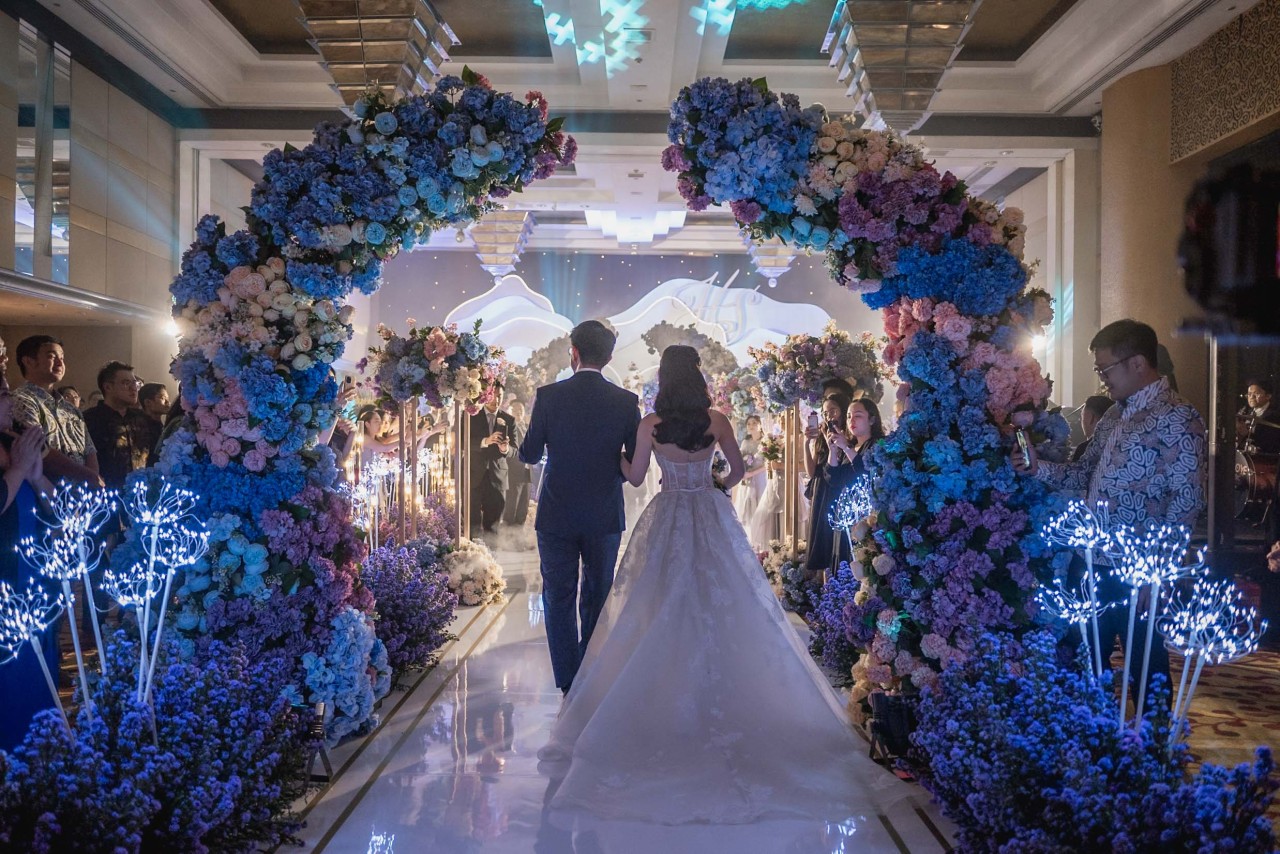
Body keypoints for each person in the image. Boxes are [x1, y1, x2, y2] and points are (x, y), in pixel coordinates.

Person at [537, 344, 914, 824]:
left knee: (656, 603)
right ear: (697, 378)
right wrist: (712, 483)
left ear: (663, 379)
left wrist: (619, 460)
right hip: (709, 512)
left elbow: (634, 478)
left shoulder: (650, 425)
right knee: (724, 601)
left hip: (667, 514)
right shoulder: (716, 421)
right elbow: (736, 472)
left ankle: (666, 691)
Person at [1013, 319, 1206, 702]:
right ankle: (1093, 734)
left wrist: (1158, 573)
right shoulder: (1114, 415)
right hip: (1090, 558)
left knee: (1146, 665)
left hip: (1139, 567)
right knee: (1087, 663)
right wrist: (1038, 468)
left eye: (1105, 369)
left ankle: (1152, 738)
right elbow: (1084, 474)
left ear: (1138, 363)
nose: (1102, 379)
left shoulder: (1179, 417)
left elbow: (1186, 502)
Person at [518, 320, 640, 696]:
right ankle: (591, 671)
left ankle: (567, 680)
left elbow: (530, 454)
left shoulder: (548, 397)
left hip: (556, 512)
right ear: (609, 358)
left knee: (558, 595)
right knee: (598, 595)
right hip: (604, 512)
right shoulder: (625, 402)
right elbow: (634, 461)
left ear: (574, 353)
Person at [0, 384, 58, 751]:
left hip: (34, 580)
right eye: (3, 395)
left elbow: (60, 514)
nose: (11, 402)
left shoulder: (15, 445)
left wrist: (36, 476)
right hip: (5, 583)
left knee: (37, 672)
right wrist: (19, 469)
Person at [10, 335, 102, 487]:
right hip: (45, 490)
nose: (60, 363)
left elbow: (89, 450)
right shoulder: (20, 400)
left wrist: (92, 479)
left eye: (62, 358)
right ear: (28, 361)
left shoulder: (70, 408)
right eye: (51, 357)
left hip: (82, 493)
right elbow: (39, 451)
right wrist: (88, 475)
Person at [803, 392, 855, 574]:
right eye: (825, 412)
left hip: (839, 489)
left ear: (843, 410)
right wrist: (807, 443)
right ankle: (825, 585)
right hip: (821, 490)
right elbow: (811, 472)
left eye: (833, 410)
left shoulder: (849, 435)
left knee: (839, 543)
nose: (829, 416)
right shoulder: (822, 434)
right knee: (822, 541)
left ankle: (839, 582)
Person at [83, 361, 153, 491]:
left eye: (135, 383)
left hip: (141, 491)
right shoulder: (89, 419)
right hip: (105, 492)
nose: (133, 388)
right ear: (108, 387)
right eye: (126, 383)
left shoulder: (143, 419)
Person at [469, 395, 521, 536]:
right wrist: (485, 441)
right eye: (494, 396)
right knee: (471, 520)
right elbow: (462, 441)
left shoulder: (509, 420)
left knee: (493, 523)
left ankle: (491, 548)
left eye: (500, 396)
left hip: (497, 476)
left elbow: (515, 450)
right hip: (473, 474)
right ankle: (471, 547)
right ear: (487, 396)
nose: (496, 400)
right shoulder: (471, 415)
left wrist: (505, 449)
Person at [732, 414, 766, 526]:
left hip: (760, 477)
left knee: (760, 505)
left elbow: (767, 464)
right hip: (747, 477)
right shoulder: (745, 442)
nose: (751, 426)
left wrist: (752, 473)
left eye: (754, 423)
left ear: (760, 425)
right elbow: (740, 458)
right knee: (746, 507)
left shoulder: (765, 441)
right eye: (749, 424)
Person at [503, 400, 532, 527]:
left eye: (520, 410)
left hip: (527, 472)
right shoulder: (506, 428)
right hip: (513, 473)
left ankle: (519, 535)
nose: (518, 412)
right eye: (514, 410)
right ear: (509, 411)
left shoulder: (528, 427)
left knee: (523, 508)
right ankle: (507, 535)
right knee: (511, 508)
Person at [1239, 379, 1280, 455]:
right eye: (1249, 394)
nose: (1251, 397)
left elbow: (1271, 443)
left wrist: (1247, 434)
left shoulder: (1275, 416)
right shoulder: (1246, 410)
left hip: (1264, 457)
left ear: (1268, 396)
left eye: (1256, 394)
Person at [1070, 395, 1115, 462]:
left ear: (1091, 418)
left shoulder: (1085, 449)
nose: (1080, 421)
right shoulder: (1117, 443)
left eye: (1082, 417)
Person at [137, 382, 170, 463]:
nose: (167, 402)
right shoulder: (140, 427)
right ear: (148, 402)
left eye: (167, 398)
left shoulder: (161, 425)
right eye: (162, 398)